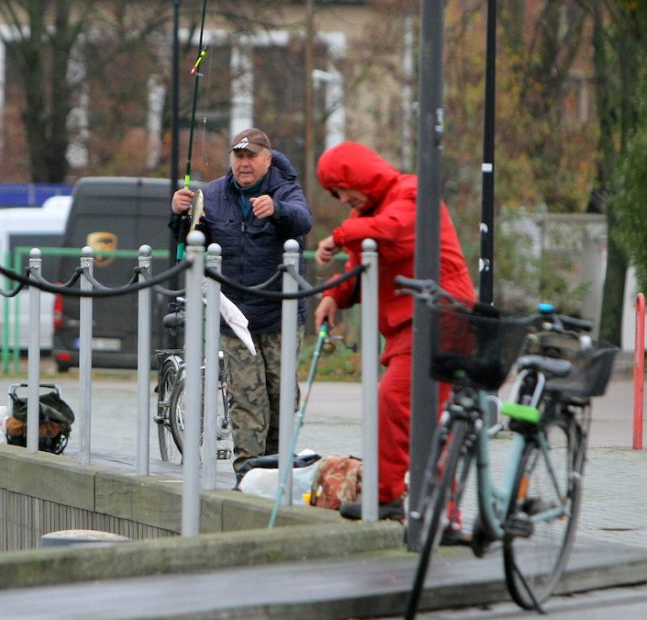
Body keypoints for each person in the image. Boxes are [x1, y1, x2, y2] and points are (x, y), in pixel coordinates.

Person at [313, 141, 474, 520]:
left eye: (340, 189)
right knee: (414, 412)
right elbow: (362, 265)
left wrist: (339, 235)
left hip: (438, 319)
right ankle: (425, 507)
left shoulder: (410, 193)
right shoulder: (373, 210)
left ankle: (411, 504)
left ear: (357, 178)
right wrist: (335, 295)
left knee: (401, 404)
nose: (341, 199)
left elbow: (393, 230)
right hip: (415, 326)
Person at [171, 128, 313, 481]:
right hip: (235, 315)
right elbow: (192, 242)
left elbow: (303, 219)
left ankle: (277, 469)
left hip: (280, 312)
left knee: (281, 396)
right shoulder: (214, 194)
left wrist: (277, 210)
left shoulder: (285, 188)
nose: (244, 163)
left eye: (251, 157)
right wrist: (179, 216)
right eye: (239, 156)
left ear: (268, 159)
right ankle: (248, 474)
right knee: (247, 397)